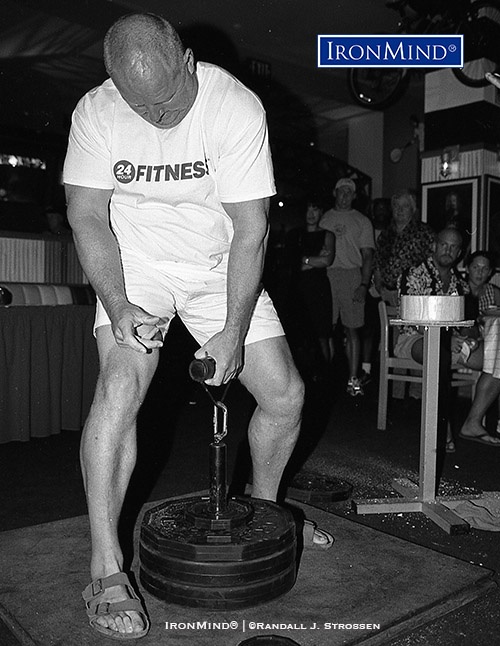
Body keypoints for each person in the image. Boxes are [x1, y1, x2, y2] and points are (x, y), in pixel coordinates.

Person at [63, 13, 330, 640]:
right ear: (112, 86)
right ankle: (104, 568)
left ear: (187, 62)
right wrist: (118, 304)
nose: (158, 120)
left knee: (285, 396)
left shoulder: (234, 107)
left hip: (217, 265)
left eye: (168, 103)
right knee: (120, 389)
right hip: (135, 265)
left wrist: (234, 331)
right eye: (141, 109)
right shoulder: (96, 113)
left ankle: (263, 513)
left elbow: (250, 232)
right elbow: (87, 217)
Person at [396, 227, 468, 464]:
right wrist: (447, 340)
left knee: (489, 356)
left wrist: (469, 337)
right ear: (434, 245)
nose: (448, 250)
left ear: (459, 252)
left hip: (447, 342)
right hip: (413, 339)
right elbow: (412, 318)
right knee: (439, 354)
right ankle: (442, 429)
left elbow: (463, 320)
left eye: (454, 246)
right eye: (444, 244)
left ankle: (473, 422)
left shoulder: (459, 282)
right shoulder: (414, 273)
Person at [319, 177, 375, 396]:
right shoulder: (325, 218)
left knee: (352, 329)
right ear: (335, 193)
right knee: (327, 329)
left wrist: (363, 283)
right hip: (327, 276)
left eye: (348, 192)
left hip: (352, 276)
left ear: (354, 196)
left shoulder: (362, 221)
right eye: (341, 191)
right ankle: (329, 375)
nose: (344, 195)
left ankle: (353, 379)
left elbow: (368, 255)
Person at [285, 197, 335, 375]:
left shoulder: (328, 235)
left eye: (315, 209)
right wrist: (314, 259)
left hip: (319, 289)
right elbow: (290, 262)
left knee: (322, 335)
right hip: (298, 290)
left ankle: (325, 375)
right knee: (298, 337)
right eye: (308, 209)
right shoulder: (294, 235)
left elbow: (327, 260)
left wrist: (305, 259)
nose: (311, 214)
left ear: (321, 212)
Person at [458, 251, 500, 446]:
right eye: (476, 267)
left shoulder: (494, 292)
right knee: (498, 363)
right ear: (467, 268)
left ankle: (474, 422)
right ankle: (473, 422)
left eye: (485, 269)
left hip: (486, 343)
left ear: (490, 272)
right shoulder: (458, 288)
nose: (479, 272)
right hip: (463, 343)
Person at [373, 189, 435, 307]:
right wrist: (381, 289)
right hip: (386, 295)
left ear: (413, 209)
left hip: (414, 296)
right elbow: (377, 264)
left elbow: (432, 265)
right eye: (396, 206)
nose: (400, 210)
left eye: (405, 206)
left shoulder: (424, 232)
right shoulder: (385, 235)